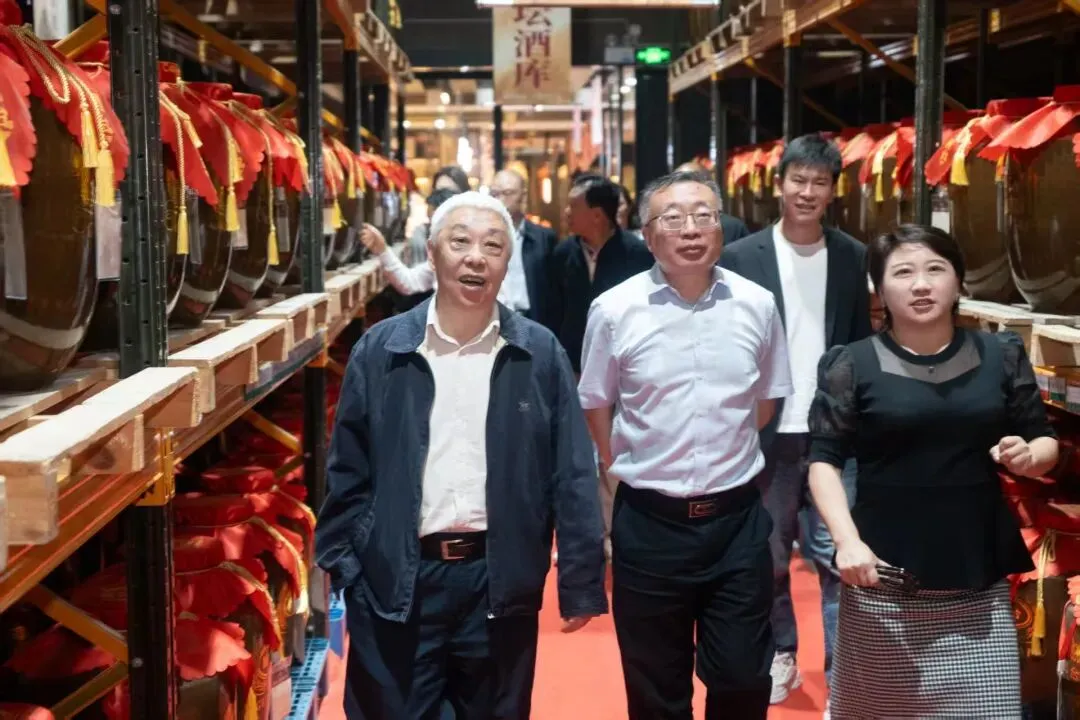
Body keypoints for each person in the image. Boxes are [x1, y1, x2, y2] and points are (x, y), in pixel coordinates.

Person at [316, 191, 607, 719]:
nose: (476, 257)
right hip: (398, 580)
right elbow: (347, 469)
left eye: (493, 246)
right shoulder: (383, 349)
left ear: (507, 262)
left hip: (498, 581)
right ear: (432, 253)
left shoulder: (538, 352)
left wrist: (581, 581)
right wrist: (346, 566)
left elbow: (571, 472)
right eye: (460, 242)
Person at [807, 224, 1059, 718]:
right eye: (903, 273)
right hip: (882, 577)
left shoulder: (1001, 355)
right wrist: (846, 541)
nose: (921, 285)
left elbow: (1043, 438)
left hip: (976, 581)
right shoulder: (851, 364)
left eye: (935, 270)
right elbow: (824, 462)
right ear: (880, 291)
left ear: (958, 282)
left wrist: (1031, 456)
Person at [578, 169, 793, 719]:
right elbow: (597, 402)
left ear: (721, 228)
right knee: (656, 687)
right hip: (650, 524)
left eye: (703, 215)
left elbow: (766, 401)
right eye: (673, 218)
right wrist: (618, 465)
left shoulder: (757, 304)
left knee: (744, 676)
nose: (691, 229)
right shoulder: (614, 309)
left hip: (736, 521)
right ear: (648, 235)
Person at [719, 133, 871, 705]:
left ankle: (842, 676)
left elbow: (860, 344)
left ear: (833, 191)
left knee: (839, 556)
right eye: (798, 180)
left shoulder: (852, 255)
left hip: (834, 432)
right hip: (768, 431)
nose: (807, 192)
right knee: (769, 554)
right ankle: (781, 652)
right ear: (779, 183)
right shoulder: (742, 257)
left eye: (819, 183)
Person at [545, 173, 654, 374]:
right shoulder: (562, 253)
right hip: (572, 363)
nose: (567, 212)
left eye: (573, 206)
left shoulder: (637, 254)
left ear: (596, 215)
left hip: (625, 361)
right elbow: (553, 312)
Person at [488, 169, 558, 321]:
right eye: (494, 193)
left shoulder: (543, 238)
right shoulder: (482, 238)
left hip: (533, 318)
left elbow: (556, 291)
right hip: (494, 319)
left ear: (523, 196)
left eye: (507, 193)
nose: (499, 199)